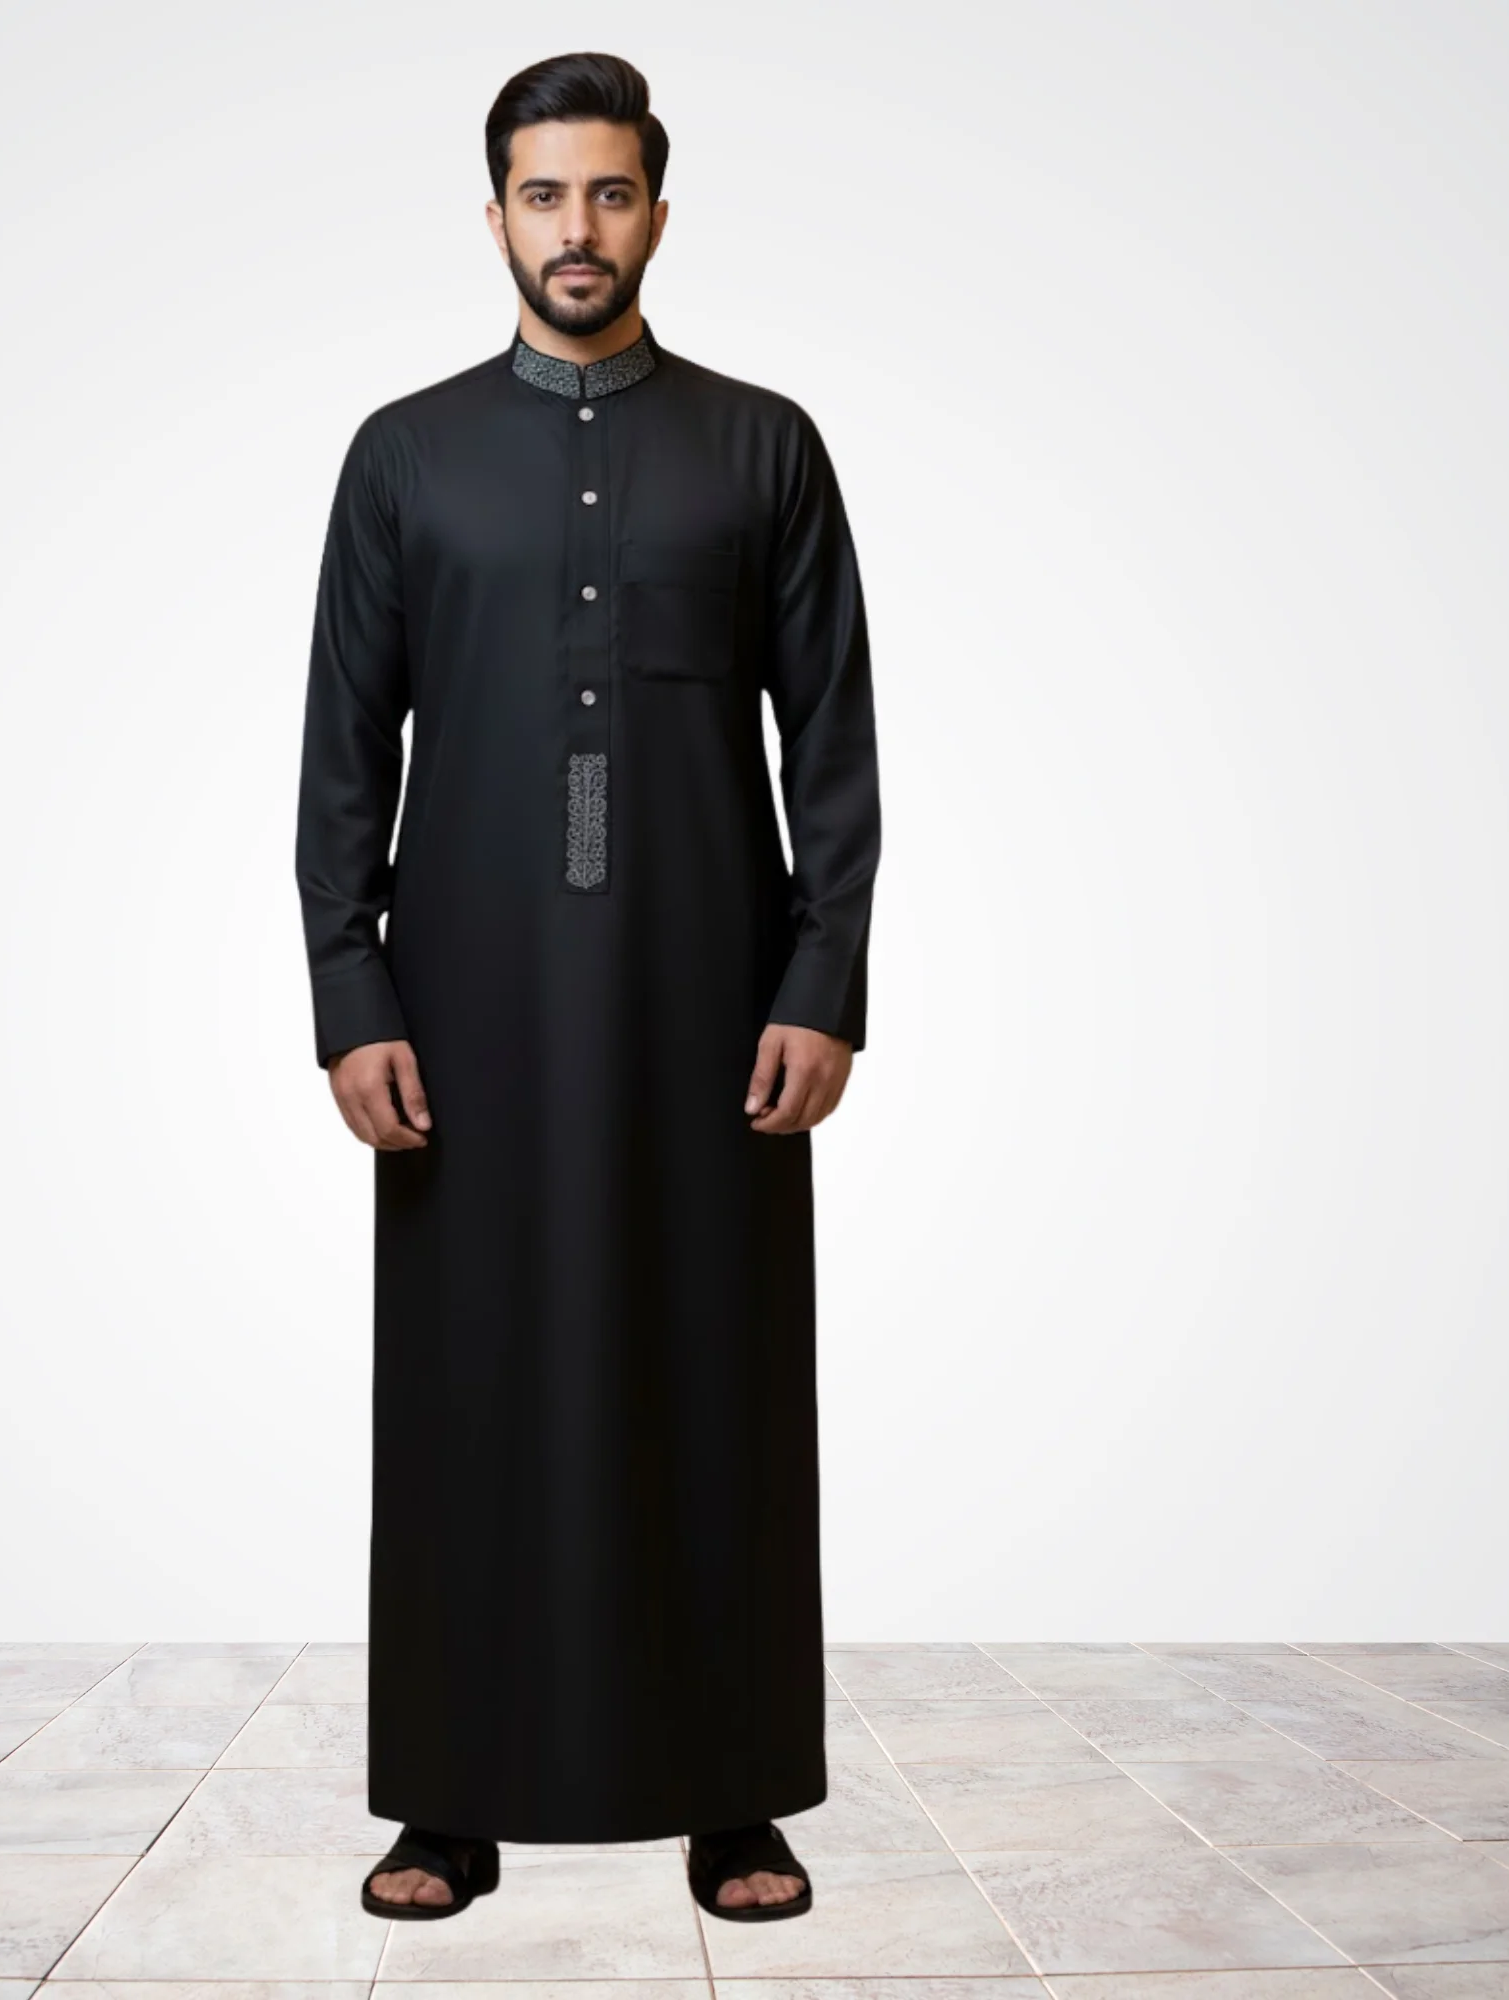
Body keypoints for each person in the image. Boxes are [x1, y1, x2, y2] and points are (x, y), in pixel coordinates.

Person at [293, 49, 881, 1926]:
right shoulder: (404, 455)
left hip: (713, 1003)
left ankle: (733, 1794)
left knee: (717, 1373)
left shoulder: (763, 447)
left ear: (657, 215)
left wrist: (825, 977)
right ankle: (448, 1800)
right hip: (464, 1011)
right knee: (466, 1381)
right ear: (495, 217)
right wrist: (351, 993)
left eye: (609, 193)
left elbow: (834, 744)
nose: (578, 229)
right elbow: (342, 752)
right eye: (544, 195)